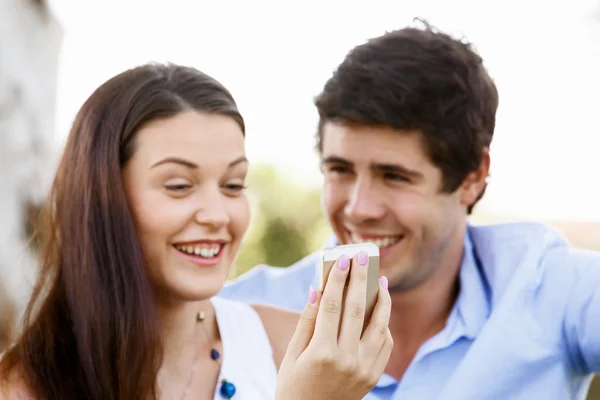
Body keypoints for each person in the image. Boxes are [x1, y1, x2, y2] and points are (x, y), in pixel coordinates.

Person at [219, 21, 600, 400]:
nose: (359, 208)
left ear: (472, 177)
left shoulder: (549, 286)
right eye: (340, 170)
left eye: (394, 176)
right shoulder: (240, 313)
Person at [0, 63, 393, 400]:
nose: (217, 214)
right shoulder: (21, 385)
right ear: (101, 200)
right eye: (179, 186)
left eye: (233, 185)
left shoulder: (294, 348)